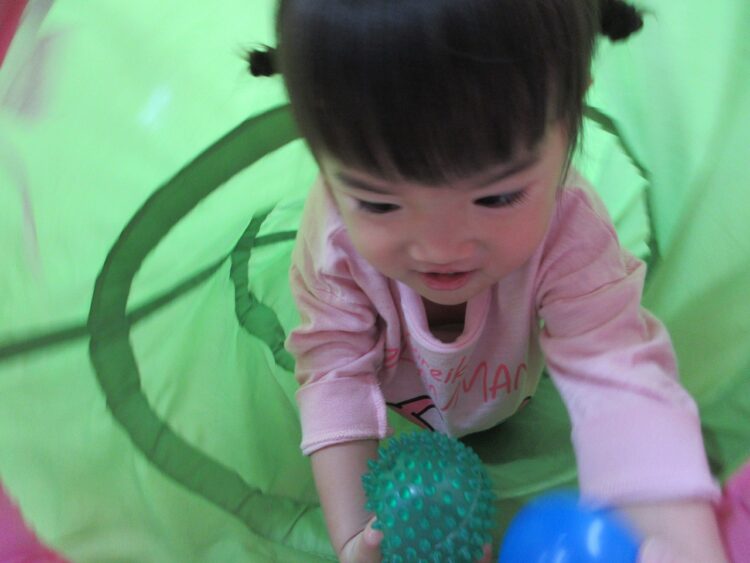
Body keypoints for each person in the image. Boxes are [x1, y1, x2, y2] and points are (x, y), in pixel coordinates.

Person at [249, 1, 728, 561]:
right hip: (403, 423)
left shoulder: (571, 227)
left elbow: (615, 371)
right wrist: (357, 537)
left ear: (572, 115)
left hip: (508, 401)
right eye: (379, 203)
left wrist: (678, 538)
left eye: (497, 196)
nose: (440, 249)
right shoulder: (333, 239)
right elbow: (334, 366)